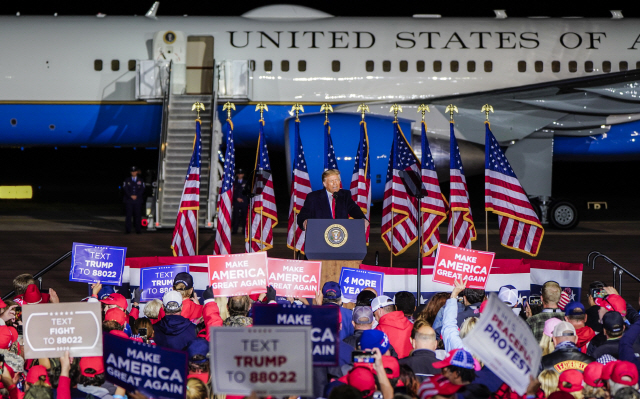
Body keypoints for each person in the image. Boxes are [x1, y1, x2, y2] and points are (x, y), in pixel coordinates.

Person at [297, 169, 368, 230]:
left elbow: (353, 209)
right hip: (320, 234)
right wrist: (304, 222)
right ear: (324, 184)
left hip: (340, 235)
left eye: (337, 180)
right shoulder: (313, 197)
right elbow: (303, 215)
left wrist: (362, 218)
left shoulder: (345, 195)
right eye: (331, 181)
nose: (335, 183)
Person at [123, 165, 145, 234]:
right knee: (128, 215)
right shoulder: (127, 180)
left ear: (137, 172)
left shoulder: (140, 180)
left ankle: (138, 230)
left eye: (135, 171)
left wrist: (137, 196)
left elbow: (142, 189)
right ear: (131, 173)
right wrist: (130, 196)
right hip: (129, 200)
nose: (133, 173)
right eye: (132, 172)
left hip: (138, 200)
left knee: (138, 215)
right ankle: (128, 230)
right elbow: (125, 189)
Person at [232, 169, 249, 235]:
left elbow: (248, 192)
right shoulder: (234, 182)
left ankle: (244, 231)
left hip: (244, 202)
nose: (240, 175)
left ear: (243, 175)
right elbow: (232, 192)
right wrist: (236, 198)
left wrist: (242, 198)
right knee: (236, 217)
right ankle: (235, 230)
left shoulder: (246, 182)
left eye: (241, 174)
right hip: (236, 202)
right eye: (238, 174)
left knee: (244, 217)